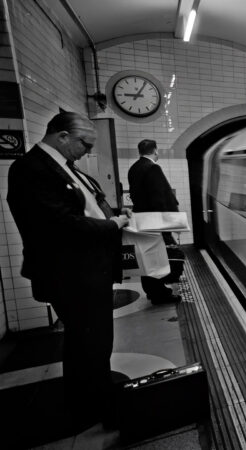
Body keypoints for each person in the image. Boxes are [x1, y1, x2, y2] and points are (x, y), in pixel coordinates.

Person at [7, 111, 130, 431]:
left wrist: (115, 214)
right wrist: (113, 225)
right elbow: (60, 225)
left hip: (88, 270)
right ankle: (96, 407)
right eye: (84, 143)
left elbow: (87, 205)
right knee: (91, 341)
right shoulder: (31, 169)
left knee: (91, 341)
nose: (87, 151)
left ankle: (89, 400)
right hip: (71, 274)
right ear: (62, 136)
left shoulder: (64, 167)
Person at [127, 139, 182, 304]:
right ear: (155, 151)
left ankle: (152, 291)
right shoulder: (153, 168)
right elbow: (159, 199)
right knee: (158, 259)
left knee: (147, 259)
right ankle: (160, 294)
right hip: (154, 221)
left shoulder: (134, 168)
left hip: (141, 219)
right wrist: (169, 225)